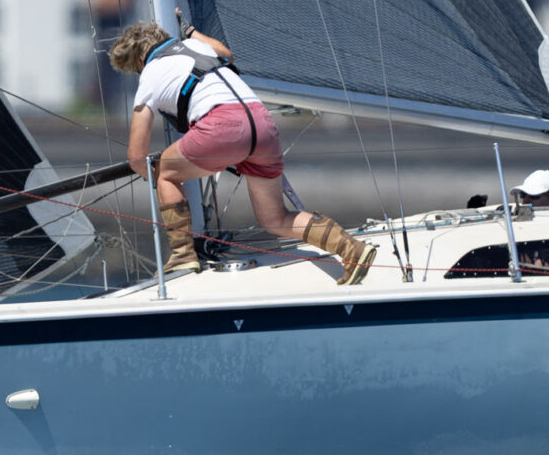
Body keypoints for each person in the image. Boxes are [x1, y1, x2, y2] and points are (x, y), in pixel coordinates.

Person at [109, 20, 377, 285]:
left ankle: (182, 256)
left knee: (166, 174)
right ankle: (351, 249)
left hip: (221, 127)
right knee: (275, 218)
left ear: (139, 61)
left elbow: (136, 156)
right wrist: (191, 31)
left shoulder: (150, 73)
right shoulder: (197, 46)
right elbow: (226, 54)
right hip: (262, 123)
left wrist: (156, 179)